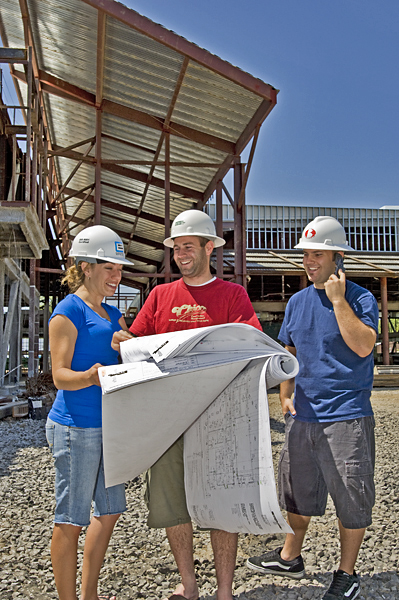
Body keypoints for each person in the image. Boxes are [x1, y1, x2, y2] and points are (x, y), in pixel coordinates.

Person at [112, 209, 262, 600]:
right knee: (170, 504)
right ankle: (189, 584)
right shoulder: (161, 296)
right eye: (176, 248)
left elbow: (252, 346)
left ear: (209, 248)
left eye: (188, 247)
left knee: (222, 502)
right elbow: (136, 338)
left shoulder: (234, 296)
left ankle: (225, 590)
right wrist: (122, 339)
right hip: (167, 419)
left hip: (219, 418)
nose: (180, 254)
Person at [247, 216, 379, 600]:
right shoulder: (298, 301)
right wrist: (286, 391)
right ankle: (290, 556)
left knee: (351, 495)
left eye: (316, 254)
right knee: (296, 492)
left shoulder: (359, 298)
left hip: (347, 414)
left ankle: (347, 572)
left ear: (339, 257)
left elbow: (364, 346)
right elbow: (289, 349)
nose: (308, 261)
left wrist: (338, 301)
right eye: (305, 254)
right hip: (302, 415)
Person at [46, 225, 132, 600]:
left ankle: (89, 594)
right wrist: (90, 375)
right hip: (75, 426)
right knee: (71, 519)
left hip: (109, 427)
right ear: (85, 267)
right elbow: (60, 376)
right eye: (109, 268)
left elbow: (124, 361)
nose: (116, 276)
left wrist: (126, 347)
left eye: (119, 269)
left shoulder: (113, 314)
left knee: (110, 511)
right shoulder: (68, 311)